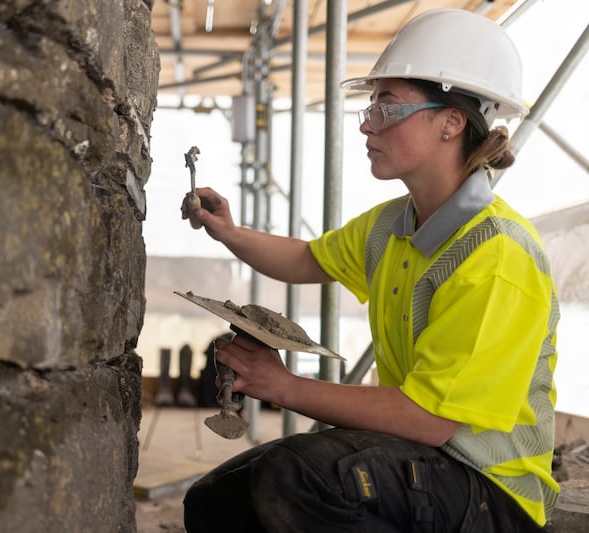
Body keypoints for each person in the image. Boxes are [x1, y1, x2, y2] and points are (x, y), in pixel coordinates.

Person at [180, 9, 559, 532]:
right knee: (216, 500)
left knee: (295, 476)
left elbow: (429, 418)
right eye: (371, 102)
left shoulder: (496, 256)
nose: (365, 122)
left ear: (452, 122)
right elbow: (308, 259)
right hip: (427, 459)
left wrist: (282, 385)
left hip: (492, 491)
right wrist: (228, 230)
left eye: (388, 106)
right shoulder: (392, 226)